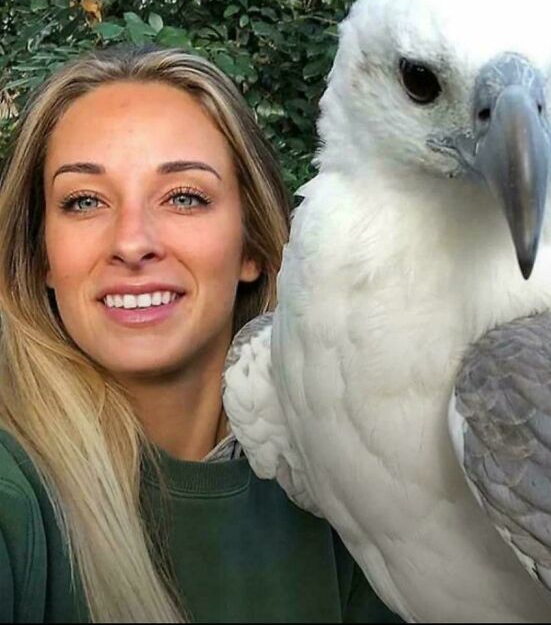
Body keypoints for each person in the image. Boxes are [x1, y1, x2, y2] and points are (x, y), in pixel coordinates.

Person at [0, 46, 401, 623]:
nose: (132, 242)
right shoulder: (16, 498)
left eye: (184, 197)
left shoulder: (357, 482)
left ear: (254, 247)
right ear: (42, 255)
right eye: (84, 202)